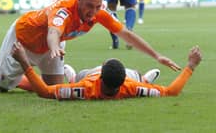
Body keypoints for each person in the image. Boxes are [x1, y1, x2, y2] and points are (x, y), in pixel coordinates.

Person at [0, 0, 180, 93]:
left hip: (51, 48)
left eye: (97, 6)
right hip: (23, 41)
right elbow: (54, 32)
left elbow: (126, 34)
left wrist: (157, 55)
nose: (93, 12)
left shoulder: (99, 13)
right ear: (79, 1)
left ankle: (58, 73)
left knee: (55, 91)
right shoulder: (64, 10)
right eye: (89, 6)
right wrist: (54, 47)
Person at [11, 42, 202, 100]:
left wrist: (25, 62)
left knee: (75, 79)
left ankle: (69, 77)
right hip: (132, 78)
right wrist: (190, 66)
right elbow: (172, 92)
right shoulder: (129, 87)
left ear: (102, 73)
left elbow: (44, 91)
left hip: (86, 75)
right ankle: (145, 79)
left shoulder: (86, 88)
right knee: (138, 79)